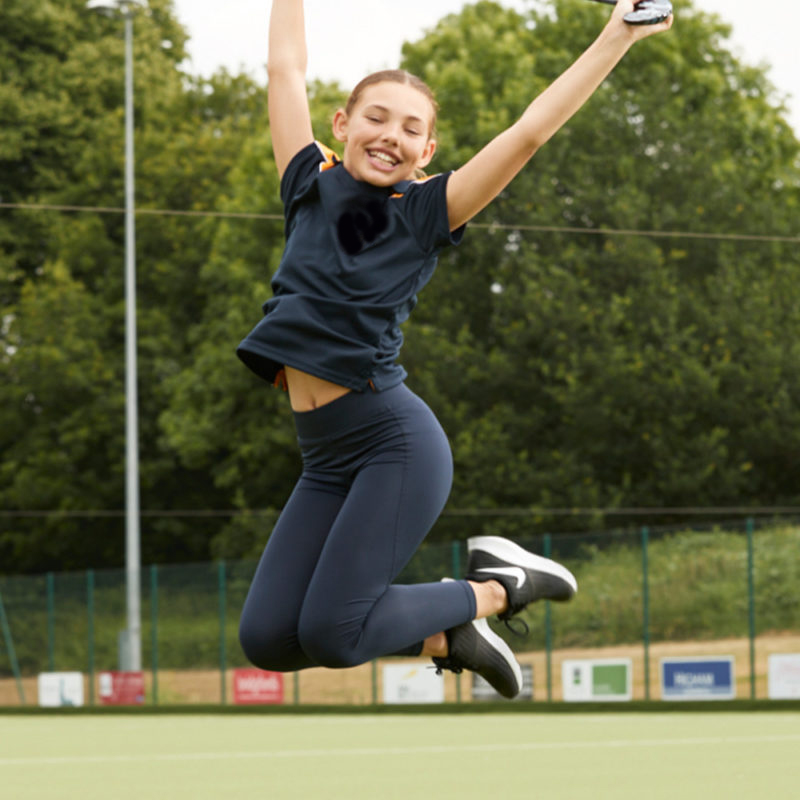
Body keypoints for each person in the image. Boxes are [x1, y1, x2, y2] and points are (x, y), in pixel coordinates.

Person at [237, 0, 672, 699]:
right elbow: (284, 66)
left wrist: (616, 34)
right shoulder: (307, 184)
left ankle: (501, 587)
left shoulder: (426, 211)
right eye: (375, 117)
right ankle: (449, 636)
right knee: (268, 639)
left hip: (391, 445)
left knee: (332, 633)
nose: (390, 135)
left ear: (427, 154)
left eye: (412, 129)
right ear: (341, 125)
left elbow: (529, 133)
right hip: (324, 456)